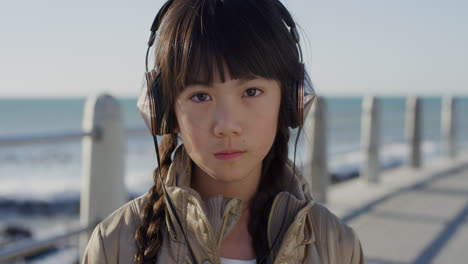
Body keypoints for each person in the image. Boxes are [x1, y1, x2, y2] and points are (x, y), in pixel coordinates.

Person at [82, 0, 364, 263]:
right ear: (166, 110)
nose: (227, 125)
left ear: (291, 100)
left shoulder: (336, 244)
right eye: (201, 96)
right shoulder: (115, 244)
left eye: (251, 91)